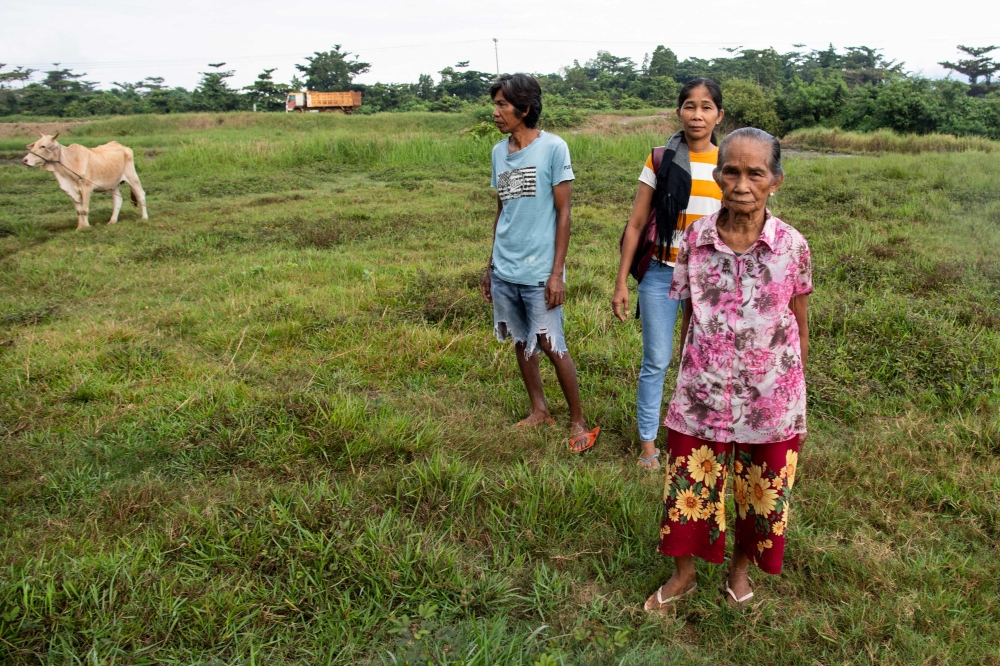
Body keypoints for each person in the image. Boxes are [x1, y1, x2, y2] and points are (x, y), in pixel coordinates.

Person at [643, 127, 812, 611]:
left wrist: (797, 395)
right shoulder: (695, 238)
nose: (742, 184)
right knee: (688, 485)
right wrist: (686, 377)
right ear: (717, 177)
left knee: (759, 490)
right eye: (731, 172)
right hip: (702, 391)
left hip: (770, 396)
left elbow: (798, 324)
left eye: (755, 173)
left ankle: (738, 570)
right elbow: (691, 314)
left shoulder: (792, 246)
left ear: (775, 180)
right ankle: (684, 575)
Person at [480, 73, 601, 454]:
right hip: (505, 267)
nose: (496, 112)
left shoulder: (553, 148)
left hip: (540, 270)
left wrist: (556, 273)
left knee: (551, 343)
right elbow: (502, 209)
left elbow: (564, 213)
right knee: (521, 339)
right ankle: (539, 410)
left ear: (525, 108)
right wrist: (490, 265)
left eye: (502, 104)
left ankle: (577, 419)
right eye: (495, 104)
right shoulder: (499, 152)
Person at [612, 79, 725, 470]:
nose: (697, 115)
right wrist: (622, 281)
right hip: (660, 272)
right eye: (690, 106)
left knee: (703, 359)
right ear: (679, 111)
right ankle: (648, 445)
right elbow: (636, 222)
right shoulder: (660, 158)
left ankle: (697, 435)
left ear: (719, 115)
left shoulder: (730, 162)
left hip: (710, 279)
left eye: (706, 107)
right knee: (656, 360)